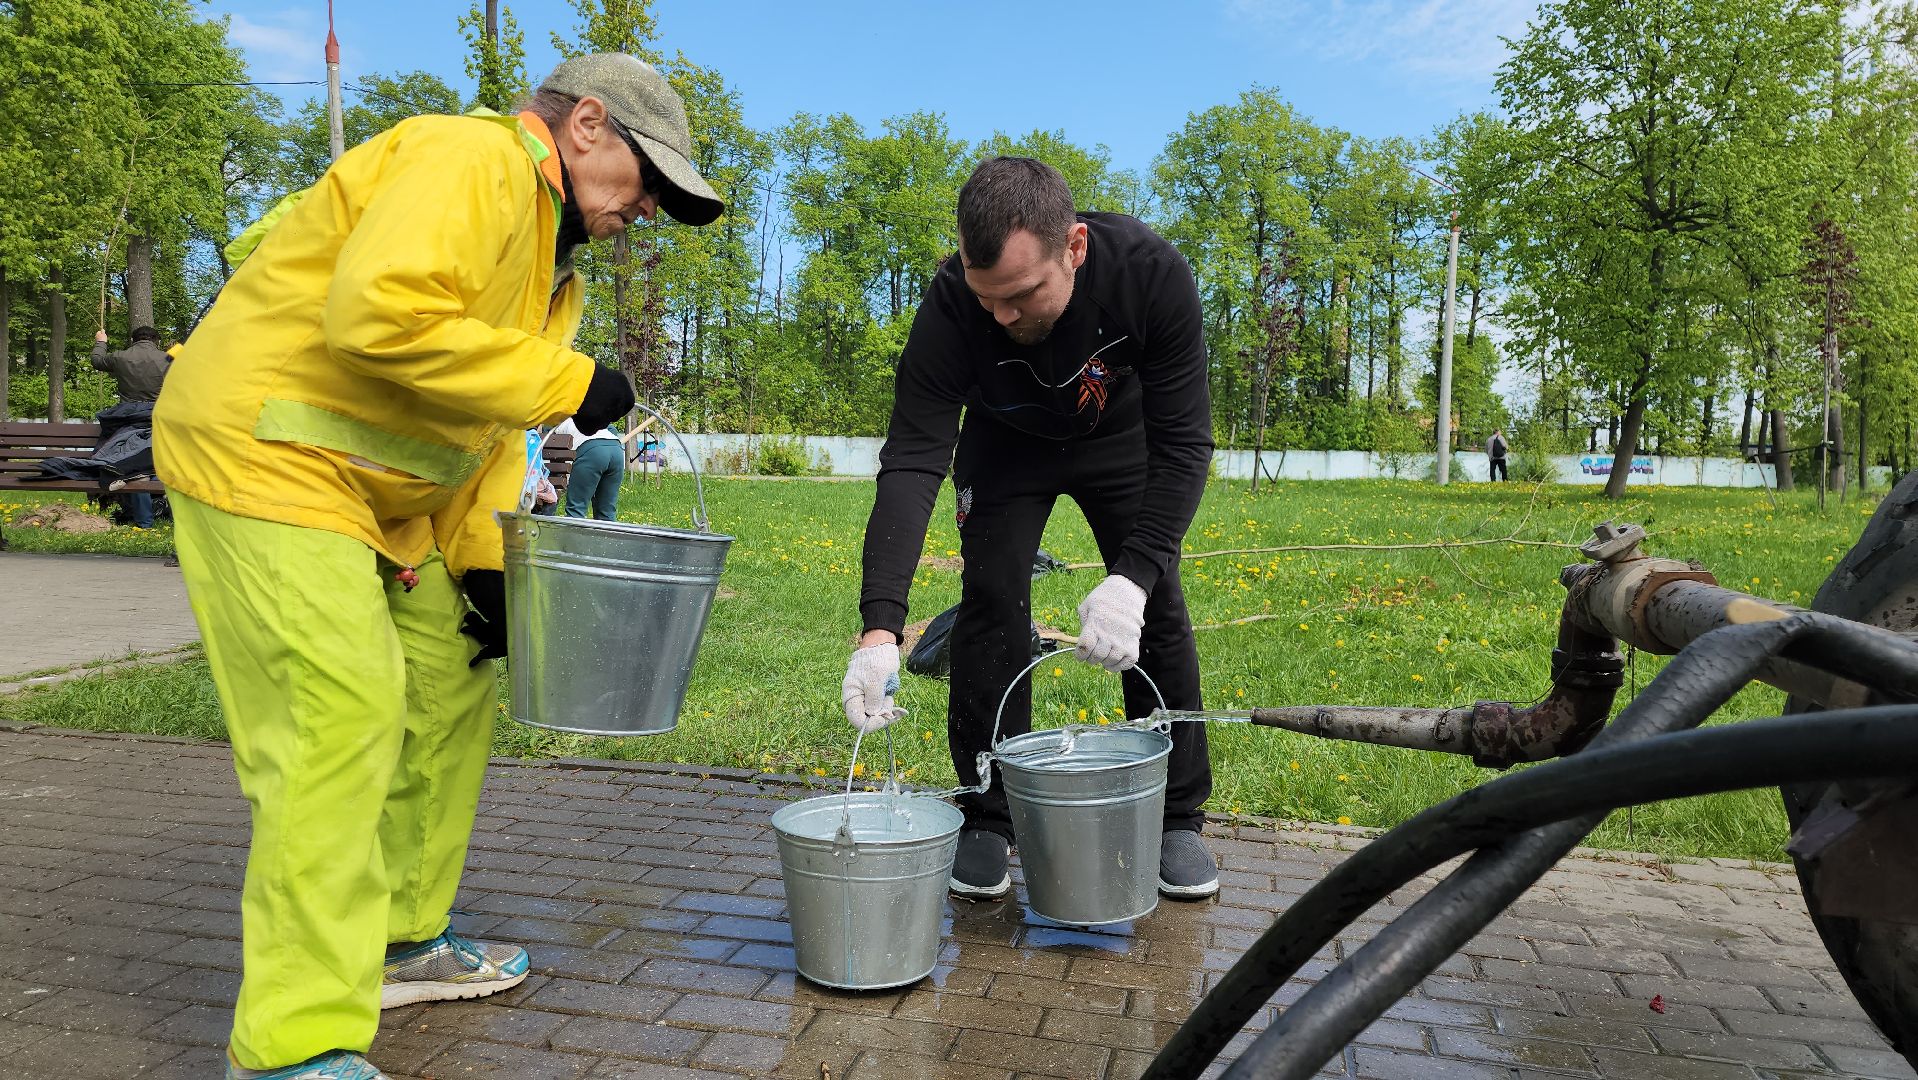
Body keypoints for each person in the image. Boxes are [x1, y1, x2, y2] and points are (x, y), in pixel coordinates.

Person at [151, 53, 723, 1080]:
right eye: (648, 180)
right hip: (266, 452)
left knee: (451, 679)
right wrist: (568, 379)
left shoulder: (553, 270)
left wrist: (482, 565)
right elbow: (379, 317)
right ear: (586, 124)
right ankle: (291, 1043)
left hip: (385, 494)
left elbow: (471, 424)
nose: (648, 209)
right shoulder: (474, 160)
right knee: (341, 717)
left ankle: (401, 937)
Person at [842, 157, 1219, 902]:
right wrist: (880, 629)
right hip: (1006, 445)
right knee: (991, 602)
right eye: (988, 300)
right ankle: (987, 811)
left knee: (1160, 607)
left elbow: (1186, 445)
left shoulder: (1150, 274)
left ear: (1074, 247)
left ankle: (1177, 813)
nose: (1002, 317)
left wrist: (1133, 576)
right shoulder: (953, 306)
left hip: (1121, 438)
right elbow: (915, 460)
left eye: (1020, 295)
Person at [91, 325, 172, 527]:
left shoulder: (120, 357)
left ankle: (142, 517)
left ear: (132, 340)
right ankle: (154, 511)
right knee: (148, 462)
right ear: (157, 341)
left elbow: (97, 361)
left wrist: (101, 341)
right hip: (158, 418)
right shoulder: (168, 359)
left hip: (126, 418)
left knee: (130, 461)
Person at [551, 416, 625, 519]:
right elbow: (612, 429)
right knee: (607, 510)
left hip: (591, 451)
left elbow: (554, 459)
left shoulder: (556, 421)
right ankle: (607, 535)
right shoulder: (589, 413)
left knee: (577, 508)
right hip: (616, 449)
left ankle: (573, 535)